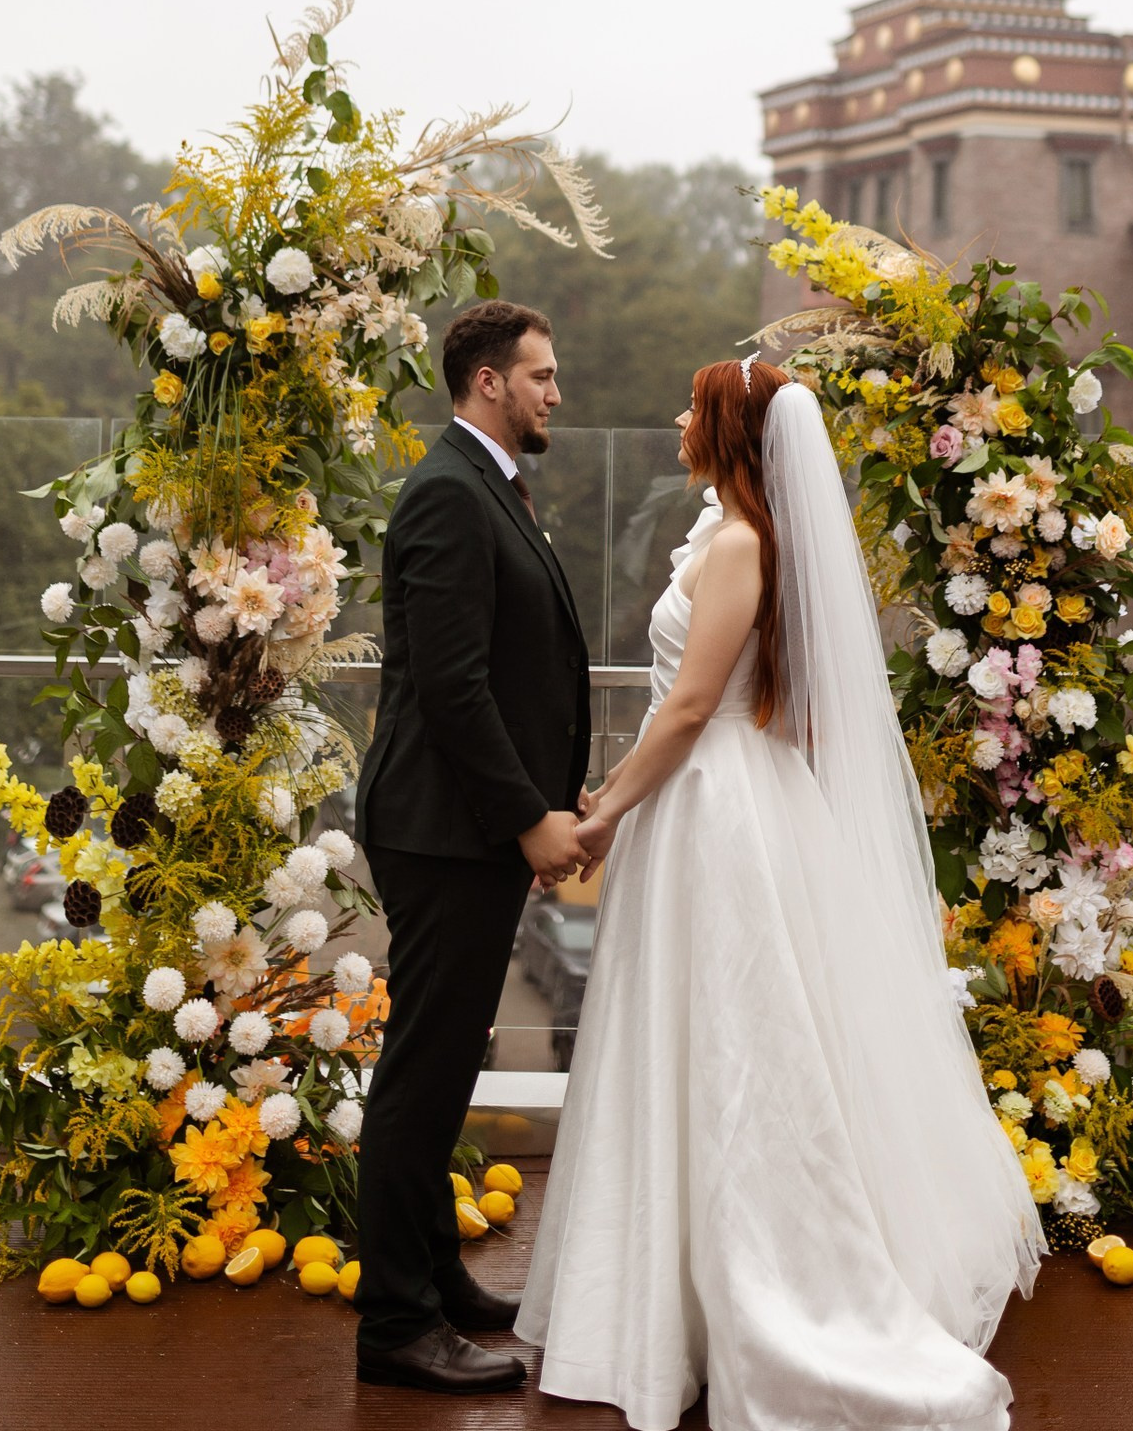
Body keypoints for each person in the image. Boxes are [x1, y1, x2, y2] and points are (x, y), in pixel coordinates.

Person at [517, 358, 1043, 1431]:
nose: (673, 415)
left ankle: (742, 1293)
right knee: (706, 1035)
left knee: (731, 1041)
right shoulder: (741, 534)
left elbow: (692, 703)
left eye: (689, 405)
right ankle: (674, 1288)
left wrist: (606, 808)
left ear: (726, 428)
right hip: (714, 798)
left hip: (711, 811)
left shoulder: (743, 544)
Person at [355, 300, 592, 1396]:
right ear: (489, 381)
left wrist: (551, 790)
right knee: (422, 1073)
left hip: (469, 829)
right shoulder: (451, 492)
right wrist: (529, 818)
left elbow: (506, 669)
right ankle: (396, 1325)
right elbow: (450, 690)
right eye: (540, 376)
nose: (555, 392)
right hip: (443, 833)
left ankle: (439, 1276)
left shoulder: (486, 482)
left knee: (445, 1067)